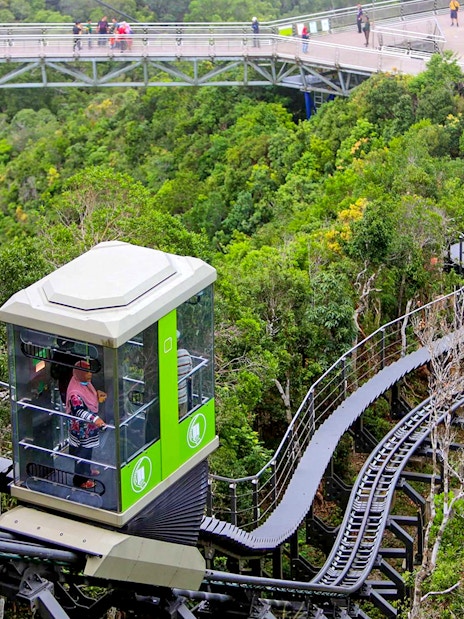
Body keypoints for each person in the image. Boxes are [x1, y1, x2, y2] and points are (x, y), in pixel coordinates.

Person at [66, 360, 107, 489]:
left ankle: (87, 470)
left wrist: (97, 395)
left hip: (88, 430)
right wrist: (95, 419)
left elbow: (89, 398)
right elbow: (79, 411)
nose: (90, 374)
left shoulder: (84, 384)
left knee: (88, 451)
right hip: (81, 431)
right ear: (79, 373)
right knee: (82, 454)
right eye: (87, 371)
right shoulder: (75, 393)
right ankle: (79, 479)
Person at [177, 332, 192, 419]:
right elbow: (189, 374)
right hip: (183, 396)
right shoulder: (185, 354)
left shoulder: (168, 360)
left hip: (170, 399)